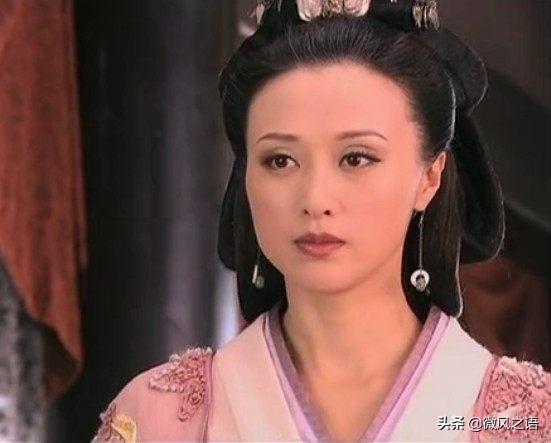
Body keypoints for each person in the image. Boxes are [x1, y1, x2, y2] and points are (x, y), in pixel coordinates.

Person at [92, 0, 551, 441]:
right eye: (280, 160)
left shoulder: (523, 422)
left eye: (356, 158)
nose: (315, 199)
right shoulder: (158, 420)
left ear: (430, 177)